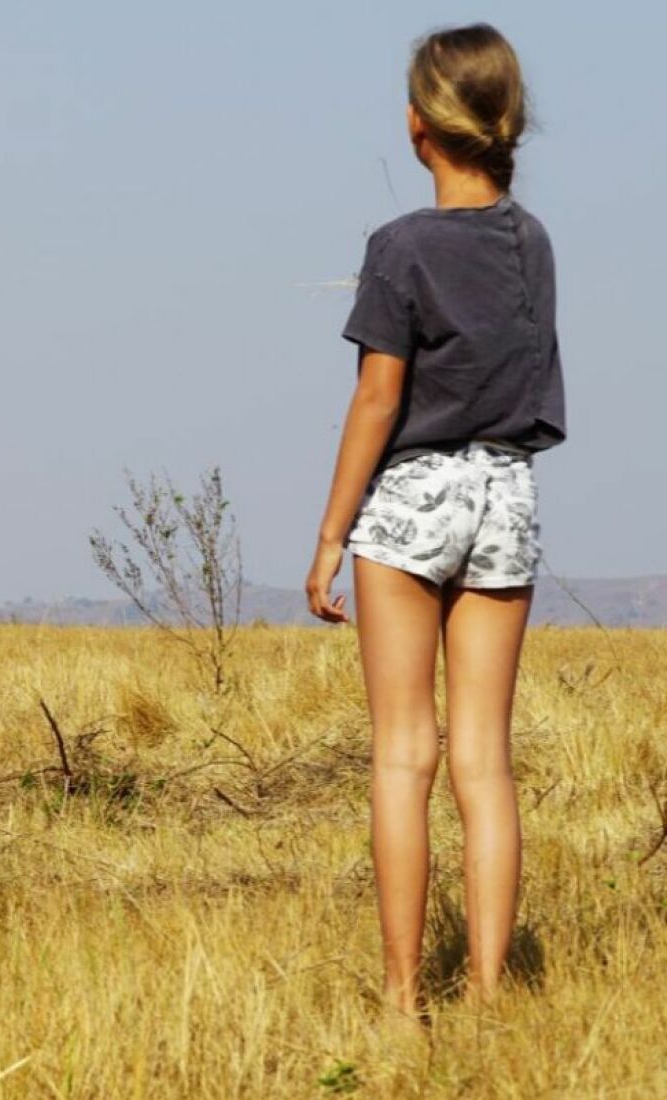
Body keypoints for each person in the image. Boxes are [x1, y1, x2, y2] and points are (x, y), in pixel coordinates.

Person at [303, 23, 564, 1021]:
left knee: (401, 751)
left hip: (410, 496)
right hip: (505, 490)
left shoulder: (399, 246)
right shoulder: (531, 243)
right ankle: (494, 998)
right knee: (483, 762)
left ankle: (405, 997)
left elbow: (378, 400)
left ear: (418, 126)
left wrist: (331, 533)